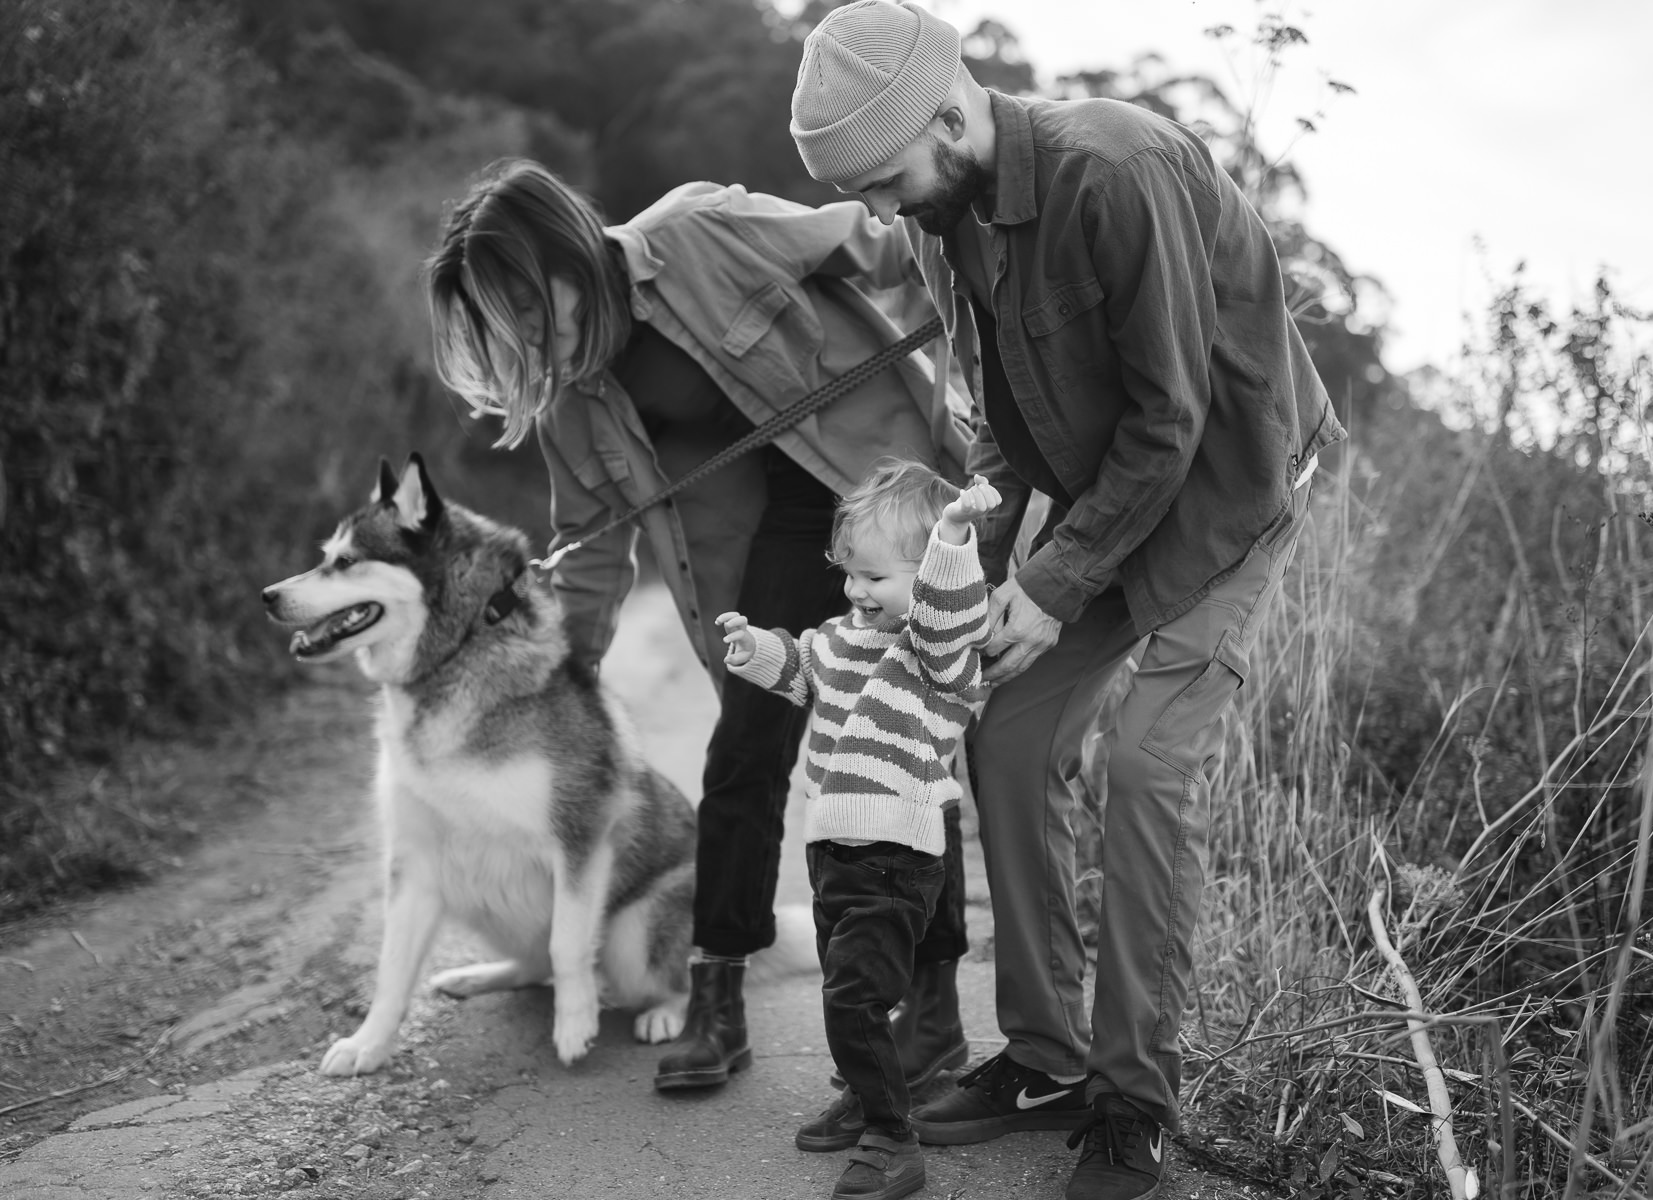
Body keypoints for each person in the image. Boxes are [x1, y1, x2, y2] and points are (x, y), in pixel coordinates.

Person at [789, 6, 1348, 1199]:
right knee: (1008, 732)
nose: (884, 211)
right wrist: (965, 536)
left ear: (949, 117)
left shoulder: (1115, 169)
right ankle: (1043, 1060)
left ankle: (1130, 1095)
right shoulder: (947, 224)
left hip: (1229, 485)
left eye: (886, 182)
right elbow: (1005, 421)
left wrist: (1048, 583)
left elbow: (1171, 421)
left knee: (1143, 766)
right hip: (1111, 499)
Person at [423, 158, 978, 1096]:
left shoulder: (701, 231)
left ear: (569, 249)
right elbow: (589, 547)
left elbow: (879, 245)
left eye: (529, 307)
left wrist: (990, 277)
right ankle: (718, 997)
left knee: (908, 749)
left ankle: (932, 1010)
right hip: (773, 542)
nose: (529, 338)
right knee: (744, 758)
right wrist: (561, 688)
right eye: (503, 325)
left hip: (884, 499)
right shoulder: (568, 401)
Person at [717, 459, 999, 1200]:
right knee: (854, 986)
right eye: (848, 574)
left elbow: (950, 608)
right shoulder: (843, 638)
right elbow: (803, 668)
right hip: (833, 851)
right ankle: (871, 1090)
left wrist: (951, 537)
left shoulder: (934, 655)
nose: (855, 591)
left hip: (895, 853)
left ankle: (890, 1137)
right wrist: (755, 649)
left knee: (852, 996)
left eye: (875, 577)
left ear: (923, 578)